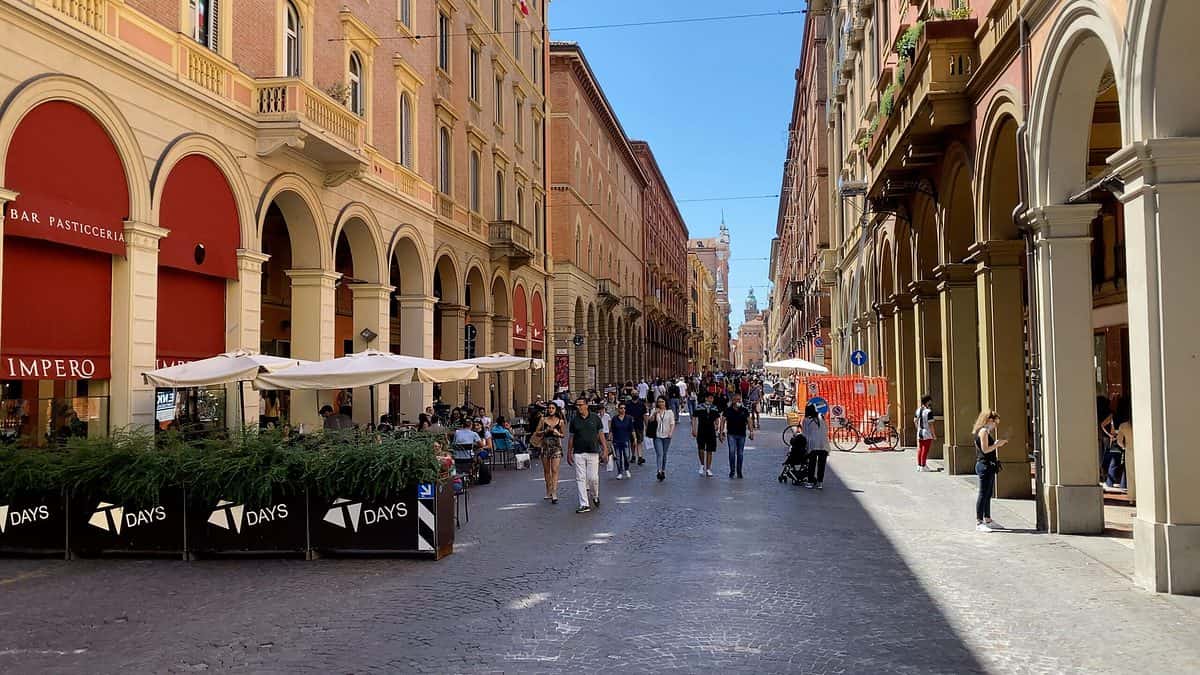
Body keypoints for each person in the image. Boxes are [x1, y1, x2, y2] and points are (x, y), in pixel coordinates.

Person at [567, 397, 609, 513]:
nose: (578, 407)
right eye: (577, 405)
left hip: (593, 451)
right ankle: (584, 504)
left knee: (593, 478)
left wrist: (605, 449)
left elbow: (601, 435)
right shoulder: (574, 420)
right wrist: (569, 452)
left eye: (581, 405)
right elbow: (571, 437)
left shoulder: (595, 418)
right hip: (579, 452)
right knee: (580, 478)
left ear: (586, 405)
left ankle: (595, 495)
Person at [973, 410, 1007, 532]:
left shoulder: (984, 431)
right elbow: (985, 450)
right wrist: (997, 445)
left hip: (988, 465)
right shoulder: (983, 432)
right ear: (989, 420)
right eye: (995, 423)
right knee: (983, 493)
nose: (995, 426)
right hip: (984, 465)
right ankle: (979, 521)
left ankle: (987, 519)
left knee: (988, 493)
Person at [534, 401, 566, 503]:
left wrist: (557, 433)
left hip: (556, 447)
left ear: (556, 410)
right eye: (549, 408)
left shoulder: (560, 421)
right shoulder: (543, 420)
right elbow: (537, 432)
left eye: (552, 408)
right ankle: (548, 490)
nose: (550, 410)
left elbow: (563, 435)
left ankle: (554, 492)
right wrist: (545, 431)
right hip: (545, 447)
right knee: (547, 471)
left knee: (555, 470)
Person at [721, 393, 753, 478]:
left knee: (740, 453)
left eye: (740, 400)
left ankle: (739, 471)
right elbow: (723, 420)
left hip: (741, 434)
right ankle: (732, 471)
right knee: (732, 452)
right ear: (733, 401)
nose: (739, 401)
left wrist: (751, 432)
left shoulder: (744, 410)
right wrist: (721, 432)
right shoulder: (728, 410)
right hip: (731, 434)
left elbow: (749, 420)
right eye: (737, 400)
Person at [692, 392, 721, 477]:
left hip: (711, 430)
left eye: (712, 398)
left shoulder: (714, 408)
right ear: (706, 398)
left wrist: (716, 424)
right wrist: (694, 428)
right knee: (701, 448)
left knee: (710, 450)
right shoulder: (699, 407)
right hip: (701, 429)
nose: (711, 399)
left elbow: (717, 417)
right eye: (710, 398)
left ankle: (708, 468)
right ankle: (702, 464)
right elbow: (694, 417)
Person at [802, 403, 829, 489]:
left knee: (812, 463)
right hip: (824, 444)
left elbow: (805, 434)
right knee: (822, 464)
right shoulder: (822, 418)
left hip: (813, 445)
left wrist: (805, 446)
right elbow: (826, 430)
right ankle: (820, 483)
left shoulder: (806, 420)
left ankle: (810, 482)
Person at [649, 396, 676, 481]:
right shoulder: (654, 410)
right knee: (659, 454)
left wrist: (671, 433)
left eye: (662, 401)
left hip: (667, 436)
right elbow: (650, 420)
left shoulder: (669, 412)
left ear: (665, 402)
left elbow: (672, 423)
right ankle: (659, 471)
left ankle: (663, 470)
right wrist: (654, 413)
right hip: (657, 436)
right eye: (659, 402)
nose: (660, 403)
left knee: (664, 454)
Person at [610, 402, 636, 480]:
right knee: (618, 457)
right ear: (618, 409)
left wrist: (635, 438)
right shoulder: (614, 419)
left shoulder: (628, 418)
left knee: (627, 456)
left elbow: (632, 429)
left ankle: (627, 469)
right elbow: (612, 430)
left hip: (625, 439)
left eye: (624, 408)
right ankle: (620, 472)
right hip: (616, 440)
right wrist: (609, 439)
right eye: (621, 408)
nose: (623, 410)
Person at [915, 394, 936, 472]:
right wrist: (933, 434)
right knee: (925, 449)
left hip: (920, 432)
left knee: (920, 448)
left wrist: (918, 428)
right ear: (928, 401)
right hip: (926, 432)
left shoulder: (918, 410)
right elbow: (931, 424)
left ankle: (919, 465)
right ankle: (923, 465)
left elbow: (915, 420)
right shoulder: (928, 412)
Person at [626, 394, 648, 466]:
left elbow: (644, 415)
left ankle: (640, 457)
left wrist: (647, 425)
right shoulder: (628, 404)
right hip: (631, 426)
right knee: (632, 441)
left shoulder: (642, 404)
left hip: (639, 425)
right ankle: (633, 456)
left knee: (639, 441)